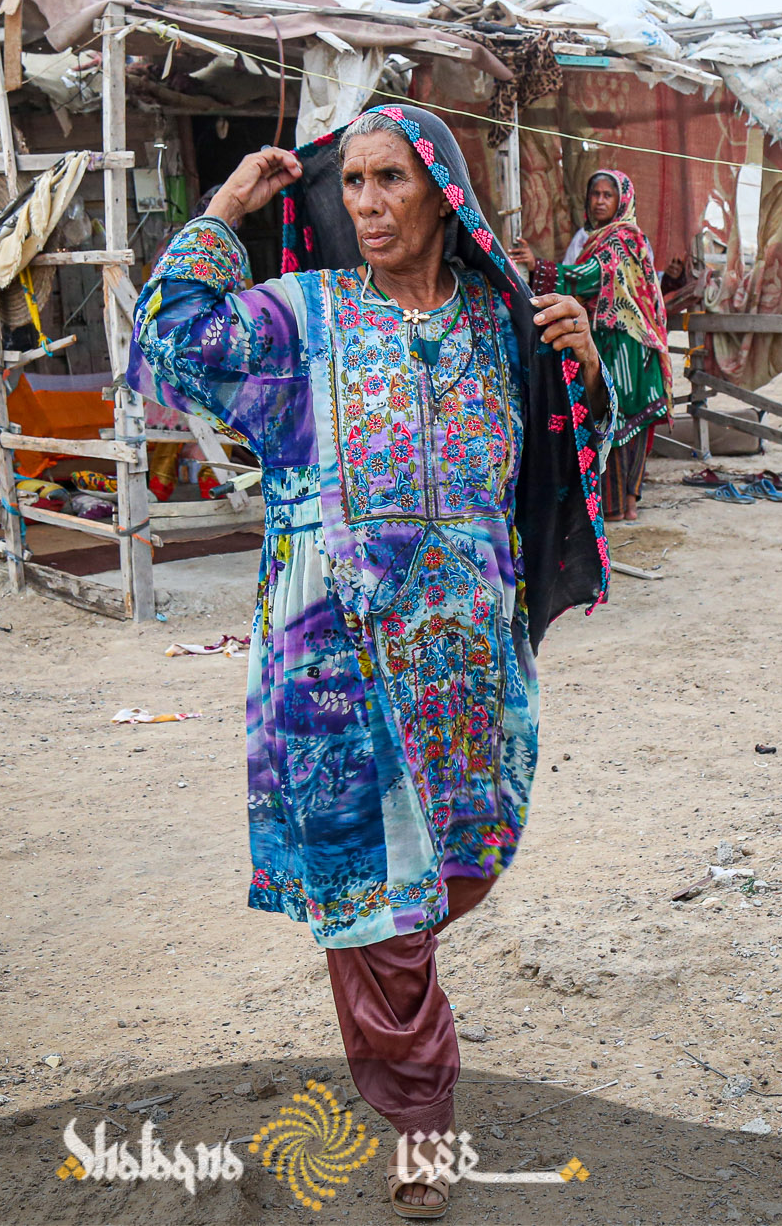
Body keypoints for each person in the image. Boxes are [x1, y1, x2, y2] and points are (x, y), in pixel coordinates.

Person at [130, 104, 613, 1219]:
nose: (366, 203)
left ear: (442, 191)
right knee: (376, 899)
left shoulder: (503, 320)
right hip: (334, 668)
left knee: (453, 873)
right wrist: (226, 207)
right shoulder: (303, 315)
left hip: (468, 666)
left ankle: (393, 1016)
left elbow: (591, 434)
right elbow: (171, 344)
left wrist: (588, 364)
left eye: (389, 178)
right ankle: (422, 1114)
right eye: (350, 182)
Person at [509, 170, 669, 522]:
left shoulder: (625, 238)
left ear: (622, 201)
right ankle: (621, 505)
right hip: (608, 342)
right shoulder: (594, 239)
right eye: (595, 194)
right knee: (613, 417)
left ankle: (623, 504)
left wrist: (538, 267)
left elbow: (591, 277)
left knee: (621, 419)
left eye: (607, 195)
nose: (599, 201)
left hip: (629, 347)